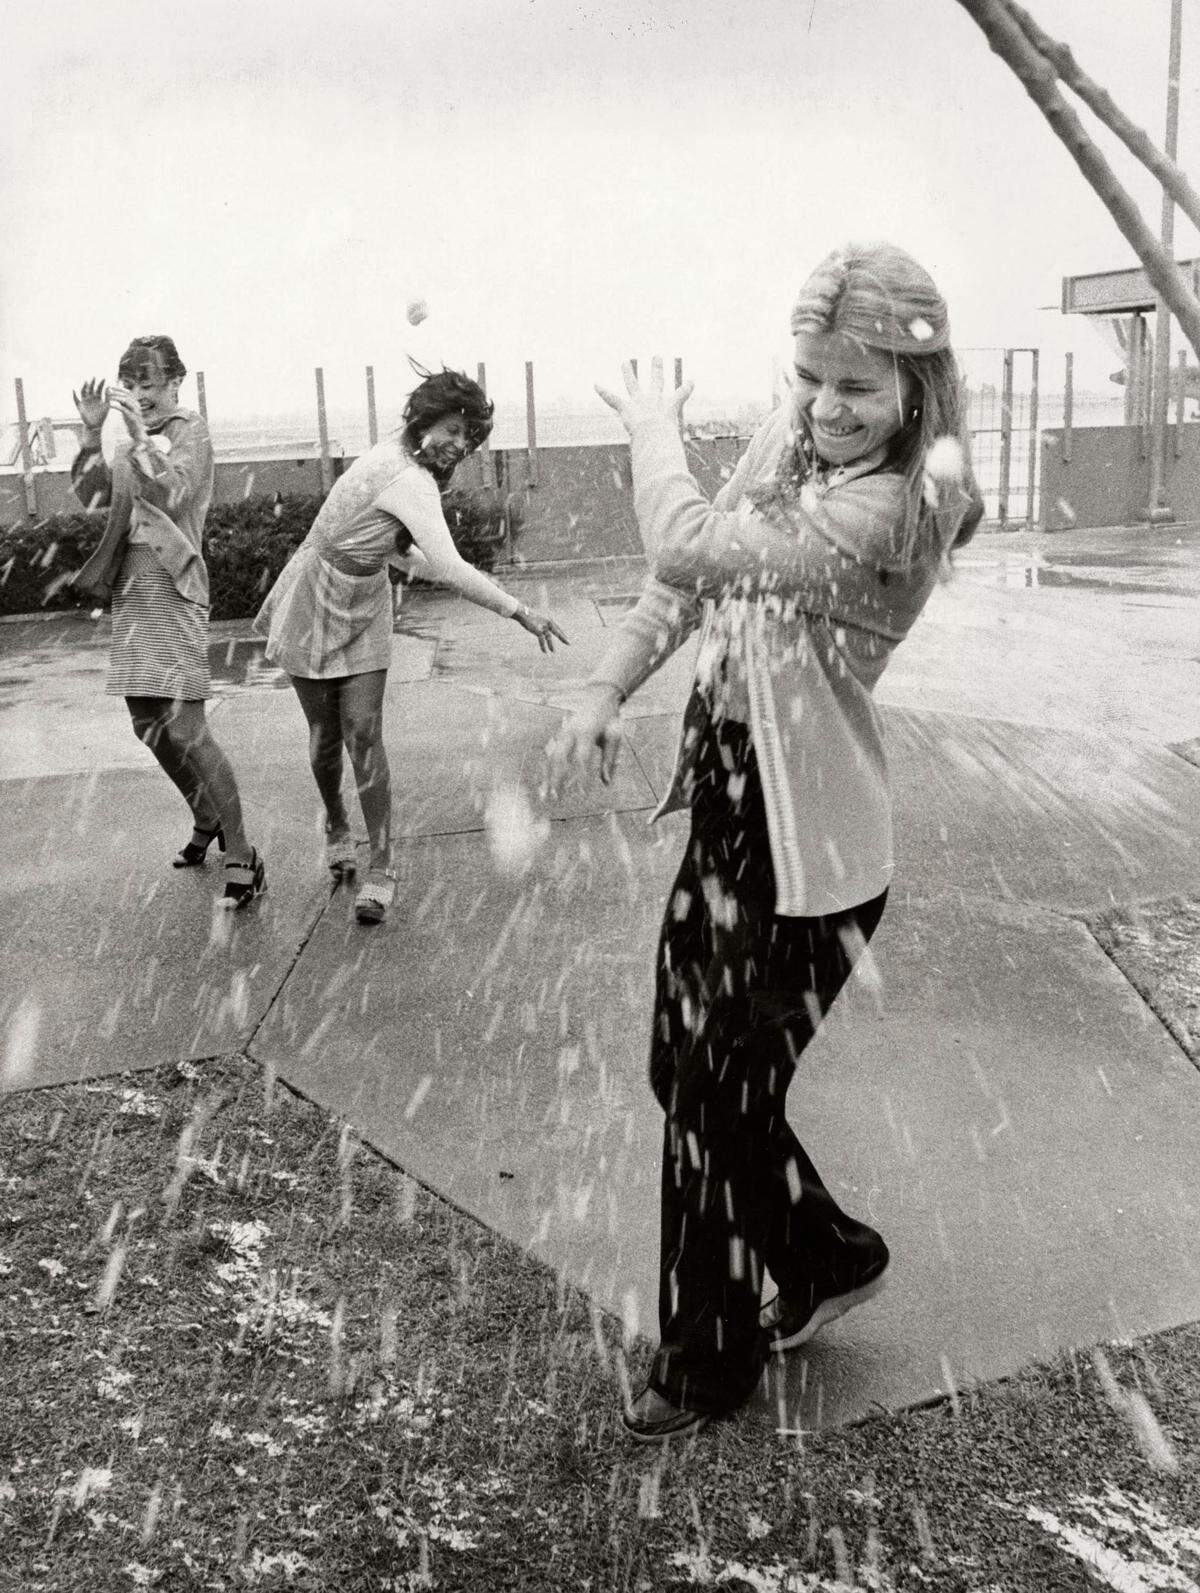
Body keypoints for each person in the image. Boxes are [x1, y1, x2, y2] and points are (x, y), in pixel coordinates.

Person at [551, 243, 984, 1442]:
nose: (827, 407)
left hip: (815, 858)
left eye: (858, 386)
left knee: (714, 1099)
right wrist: (605, 687)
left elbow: (688, 545)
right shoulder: (796, 448)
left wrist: (652, 438)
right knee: (684, 1075)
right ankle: (829, 1255)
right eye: (810, 379)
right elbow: (687, 593)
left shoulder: (893, 506)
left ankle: (707, 1361)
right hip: (733, 812)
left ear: (916, 389)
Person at [254, 367, 567, 926]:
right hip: (314, 596)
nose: (460, 446)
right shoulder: (400, 471)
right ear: (423, 420)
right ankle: (336, 824)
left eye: (469, 438)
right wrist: (519, 610)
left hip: (366, 602)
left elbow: (409, 557)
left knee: (363, 733)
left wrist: (506, 605)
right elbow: (444, 565)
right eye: (452, 430)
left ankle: (382, 863)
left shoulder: (412, 470)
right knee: (324, 739)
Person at [71, 336, 266, 908]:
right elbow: (94, 497)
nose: (139, 394)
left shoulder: (190, 431)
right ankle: (205, 817)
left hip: (174, 585)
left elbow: (173, 495)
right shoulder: (132, 437)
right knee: (146, 722)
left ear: (176, 381)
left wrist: (137, 441)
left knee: (186, 728)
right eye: (130, 384)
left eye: (150, 383)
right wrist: (91, 436)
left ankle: (244, 854)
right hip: (132, 586)